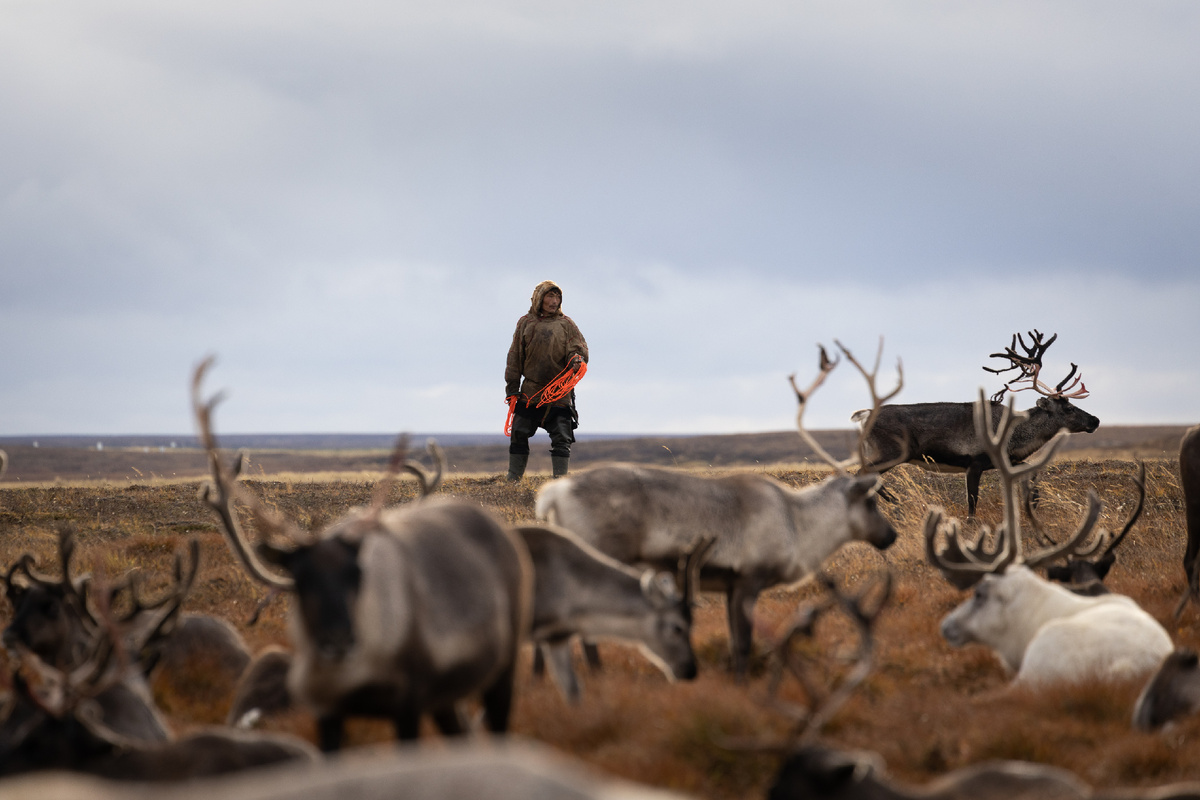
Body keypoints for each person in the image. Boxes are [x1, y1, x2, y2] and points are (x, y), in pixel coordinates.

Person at [504, 280, 589, 481]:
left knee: (562, 438)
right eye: (550, 296)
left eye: (557, 297)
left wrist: (576, 360)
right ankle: (513, 479)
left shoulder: (566, 325)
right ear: (539, 298)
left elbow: (578, 350)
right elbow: (515, 357)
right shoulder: (525, 323)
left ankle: (560, 482)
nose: (554, 301)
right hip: (530, 391)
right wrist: (512, 389)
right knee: (519, 433)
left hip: (559, 392)